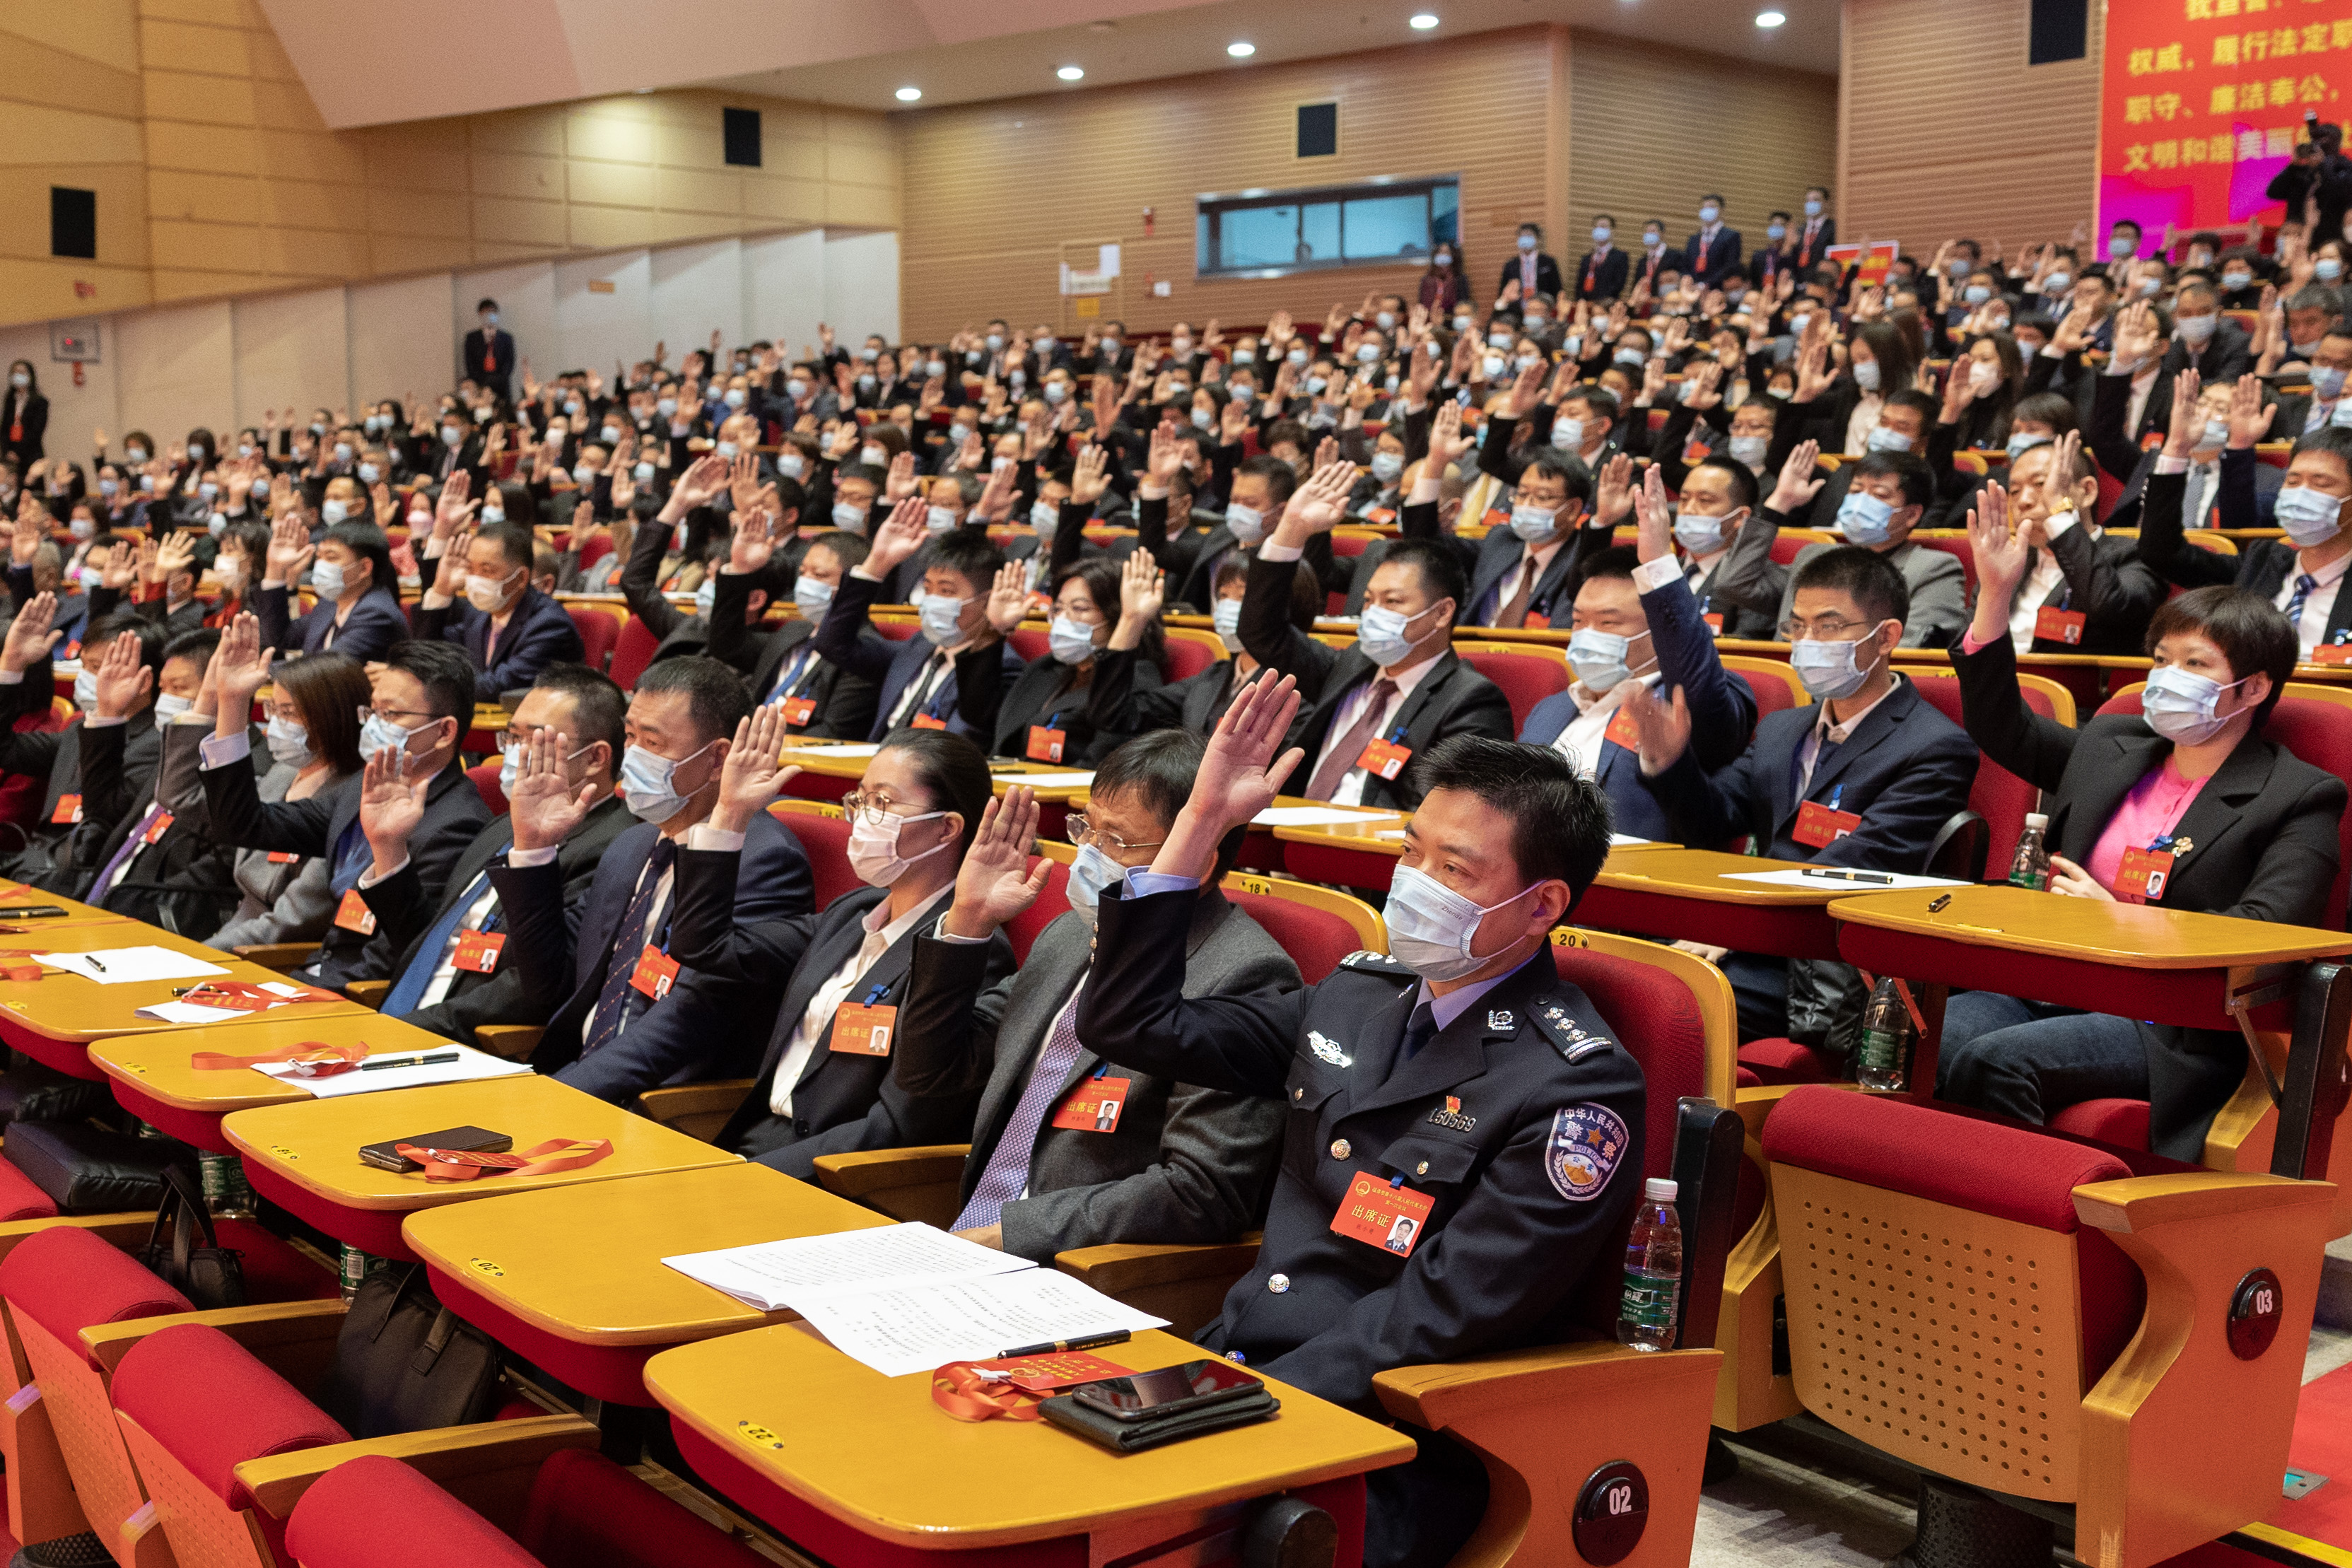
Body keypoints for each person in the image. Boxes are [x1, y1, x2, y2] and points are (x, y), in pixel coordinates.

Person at [1077, 696, 1639, 1568]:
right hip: (1231, 1369)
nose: (1412, 883)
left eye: (1454, 869)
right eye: (1411, 850)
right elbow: (1132, 1022)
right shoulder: (1356, 993)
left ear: (1542, 905)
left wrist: (1222, 1408)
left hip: (1380, 1438)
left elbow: (1435, 1318)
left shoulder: (1574, 1083)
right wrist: (1199, 826)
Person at [1947, 486, 2344, 1160]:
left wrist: (2118, 918)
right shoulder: (2114, 745)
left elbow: (2259, 934)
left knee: (1996, 1062)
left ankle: (2046, 1231)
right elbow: (2001, 727)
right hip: (2060, 982)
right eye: (2162, 659)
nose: (2166, 678)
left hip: (2169, 1020)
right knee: (1936, 1032)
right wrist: (1993, 595)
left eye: (2195, 665)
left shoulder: (2299, 796)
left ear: (2252, 689)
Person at [889, 731, 1301, 1256]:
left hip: (1085, 1266)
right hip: (968, 1235)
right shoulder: (1068, 934)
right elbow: (930, 1074)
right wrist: (968, 921)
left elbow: (1201, 1191)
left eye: (1116, 840)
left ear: (1195, 858)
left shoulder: (1243, 972)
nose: (1087, 853)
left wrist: (1010, 1235)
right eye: (1086, 827)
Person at [1620, 546, 1979, 1043]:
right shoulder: (1782, 729)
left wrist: (1736, 930)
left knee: (1663, 1012)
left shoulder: (1934, 746)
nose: (1807, 642)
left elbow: (1860, 862)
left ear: (1886, 637)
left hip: (1824, 966)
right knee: (1612, 975)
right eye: (1797, 627)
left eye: (1829, 627)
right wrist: (1668, 761)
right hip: (1748, 940)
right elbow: (1714, 819)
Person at [665, 713, 1014, 1166]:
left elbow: (898, 1123)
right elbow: (704, 946)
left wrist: (759, 1174)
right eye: (860, 800)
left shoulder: (969, 951)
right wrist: (730, 815)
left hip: (835, 1173)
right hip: (752, 1140)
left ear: (946, 828)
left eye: (883, 803)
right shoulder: (852, 913)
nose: (863, 820)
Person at [487, 657, 814, 1103]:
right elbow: (548, 984)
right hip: (575, 1077)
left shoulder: (764, 859)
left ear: (718, 758)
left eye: (653, 743)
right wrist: (533, 847)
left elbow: (684, 1025)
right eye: (631, 737)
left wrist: (555, 1101)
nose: (633, 757)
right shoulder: (631, 845)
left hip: (660, 1106)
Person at [199, 620, 493, 992]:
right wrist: (233, 704)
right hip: (314, 975)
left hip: (358, 1001)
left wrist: (296, 998)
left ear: (445, 732)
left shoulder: (456, 824)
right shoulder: (362, 787)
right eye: (372, 712)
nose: (373, 727)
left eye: (391, 715)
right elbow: (244, 825)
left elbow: (406, 953)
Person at [357, 665, 634, 1049]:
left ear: (594, 758)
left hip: (463, 1047)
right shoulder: (501, 827)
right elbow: (429, 943)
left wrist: (400, 1031)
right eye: (513, 737)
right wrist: (389, 849)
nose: (516, 753)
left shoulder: (614, 848)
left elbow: (529, 989)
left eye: (533, 740)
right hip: (400, 1021)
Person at [1240, 462, 1515, 809]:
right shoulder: (1350, 665)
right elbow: (1261, 631)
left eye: (1393, 602)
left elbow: (1450, 815)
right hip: (1285, 836)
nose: (1373, 613)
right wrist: (1291, 532)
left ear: (1442, 613)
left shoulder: (1471, 701)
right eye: (1369, 601)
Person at [1519, 472, 1757, 841]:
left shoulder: (1687, 703)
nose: (1587, 635)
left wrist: (1658, 567)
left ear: (1656, 630)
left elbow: (1693, 672)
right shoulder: (1549, 710)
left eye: (1608, 623)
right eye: (1580, 622)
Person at [2139, 375, 2352, 662]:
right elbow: (2161, 552)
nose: (2302, 494)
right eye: (2293, 481)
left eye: (2321, 483)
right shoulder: (2262, 562)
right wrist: (2177, 448)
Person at [180, 650, 368, 951]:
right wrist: (224, 701)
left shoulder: (350, 799)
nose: (275, 725)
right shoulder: (282, 773)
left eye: (289, 713)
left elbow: (288, 923)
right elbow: (189, 799)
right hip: (231, 929)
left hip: (269, 955)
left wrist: (198, 956)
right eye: (274, 710)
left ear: (333, 716)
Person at [1711, 442, 1969, 649]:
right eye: (1856, 491)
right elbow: (1734, 583)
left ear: (1911, 514)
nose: (1861, 503)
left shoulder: (1932, 569)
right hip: (1794, 696)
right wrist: (1778, 504)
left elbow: (1908, 653)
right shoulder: (1814, 556)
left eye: (1879, 495)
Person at [813, 502, 1024, 743]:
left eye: (946, 591)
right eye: (927, 589)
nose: (932, 601)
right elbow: (833, 645)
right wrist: (878, 563)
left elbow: (967, 735)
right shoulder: (918, 647)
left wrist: (992, 630)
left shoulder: (1003, 667)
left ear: (987, 601)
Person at [0, 601, 169, 896]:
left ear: (144, 681)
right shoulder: (81, 730)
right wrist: (11, 668)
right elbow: (5, 750)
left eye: (99, 668)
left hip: (82, 881)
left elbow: (103, 820)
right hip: (36, 866)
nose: (89, 678)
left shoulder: (157, 746)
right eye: (87, 665)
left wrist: (107, 717)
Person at [1421, 391, 1611, 629]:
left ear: (1573, 509)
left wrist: (1604, 520)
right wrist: (1435, 465)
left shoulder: (1580, 560)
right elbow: (1426, 540)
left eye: (1542, 497)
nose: (1527, 504)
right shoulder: (1500, 541)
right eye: (1522, 494)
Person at [1991, 433, 2165, 657]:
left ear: (2087, 491)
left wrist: (2059, 516)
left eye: (2041, 484)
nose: (2023, 501)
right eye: (2014, 491)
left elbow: (2111, 610)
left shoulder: (2138, 555)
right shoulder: (2010, 561)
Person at [411, 509, 584, 699]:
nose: (475, 579)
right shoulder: (477, 614)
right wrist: (441, 590)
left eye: (487, 570)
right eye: (470, 568)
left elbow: (499, 687)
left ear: (521, 578)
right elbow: (428, 655)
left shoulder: (550, 624)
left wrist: (429, 683)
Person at [254, 511, 409, 663]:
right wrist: (275, 570)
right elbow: (281, 639)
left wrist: (260, 671)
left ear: (364, 568)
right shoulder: (330, 604)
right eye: (319, 557)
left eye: (331, 557)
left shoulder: (376, 614)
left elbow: (323, 671)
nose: (320, 564)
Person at [1683, 194, 1743, 288]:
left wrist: (1707, 284)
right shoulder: (1693, 239)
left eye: (1711, 207)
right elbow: (1686, 265)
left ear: (1722, 210)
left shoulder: (1731, 236)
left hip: (1718, 287)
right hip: (1693, 288)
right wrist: (1690, 282)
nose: (1707, 210)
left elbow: (1730, 266)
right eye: (1704, 207)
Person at [463, 299, 517, 402]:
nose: (489, 315)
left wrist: (497, 380)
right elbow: (469, 363)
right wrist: (483, 381)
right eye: (486, 312)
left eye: (493, 312)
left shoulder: (506, 338)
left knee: (502, 415)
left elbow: (509, 363)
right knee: (482, 414)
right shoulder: (471, 338)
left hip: (502, 387)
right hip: (478, 385)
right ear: (480, 314)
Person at [1499, 223, 1564, 303]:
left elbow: (1557, 289)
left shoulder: (1548, 262)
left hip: (1543, 307)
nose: (1525, 239)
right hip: (1517, 309)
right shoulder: (1511, 265)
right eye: (1522, 236)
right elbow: (1502, 292)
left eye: (1529, 236)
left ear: (1537, 239)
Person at [3, 362, 47, 469]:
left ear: (30, 376)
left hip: (30, 454)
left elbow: (36, 431)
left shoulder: (40, 402)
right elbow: (4, 428)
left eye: (21, 372)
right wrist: (7, 451)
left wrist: (18, 452)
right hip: (9, 455)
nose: (18, 375)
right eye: (15, 372)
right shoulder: (10, 400)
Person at [1576, 216, 1629, 302]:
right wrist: (1581, 301)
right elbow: (1579, 285)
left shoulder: (1620, 257)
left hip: (1608, 304)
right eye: (1597, 227)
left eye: (1603, 226)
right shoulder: (1586, 259)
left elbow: (1618, 284)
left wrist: (1601, 302)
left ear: (1612, 231)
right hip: (1587, 305)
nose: (1600, 230)